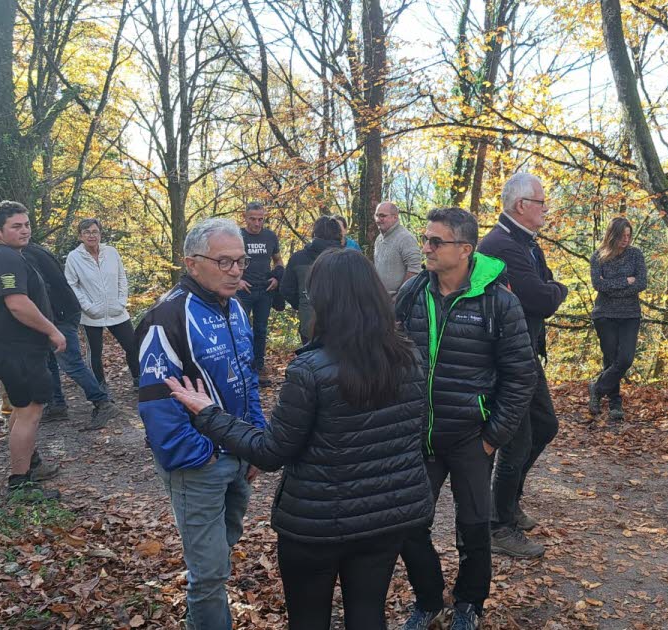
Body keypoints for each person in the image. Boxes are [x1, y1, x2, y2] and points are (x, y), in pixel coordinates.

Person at [167, 248, 434, 630]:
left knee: (309, 619)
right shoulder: (410, 357)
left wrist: (208, 414)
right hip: (390, 515)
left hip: (317, 523)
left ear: (324, 300)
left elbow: (272, 451)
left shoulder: (309, 370)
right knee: (368, 611)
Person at [395, 208, 536, 629]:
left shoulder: (499, 302)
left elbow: (521, 375)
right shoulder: (413, 293)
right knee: (408, 522)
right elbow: (390, 355)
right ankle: (428, 599)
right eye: (426, 239)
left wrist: (492, 437)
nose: (426, 248)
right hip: (419, 436)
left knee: (474, 527)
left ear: (465, 249)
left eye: (436, 241)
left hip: (471, 438)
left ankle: (469, 603)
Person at [135, 218, 266, 630]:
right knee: (209, 573)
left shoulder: (236, 309)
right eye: (224, 261)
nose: (235, 270)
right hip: (199, 464)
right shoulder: (167, 316)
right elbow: (157, 401)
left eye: (241, 262)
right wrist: (201, 456)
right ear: (192, 263)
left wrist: (255, 440)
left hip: (239, 453)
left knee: (223, 547)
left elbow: (248, 379)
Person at [477, 172, 568, 559]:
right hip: (505, 357)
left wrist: (549, 288)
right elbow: (543, 297)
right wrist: (556, 290)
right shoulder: (501, 244)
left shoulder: (524, 243)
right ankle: (499, 525)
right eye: (541, 203)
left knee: (544, 426)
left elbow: (541, 288)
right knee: (518, 438)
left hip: (525, 350)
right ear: (521, 206)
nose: (546, 209)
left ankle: (508, 502)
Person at [0, 201, 66, 499]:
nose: (24, 230)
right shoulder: (4, 258)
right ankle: (21, 484)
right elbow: (17, 303)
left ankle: (30, 465)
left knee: (21, 407)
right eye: (16, 226)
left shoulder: (6, 255)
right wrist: (52, 330)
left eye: (26, 224)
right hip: (15, 348)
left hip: (11, 348)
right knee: (30, 411)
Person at [24, 240, 123, 431]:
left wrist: (46, 319)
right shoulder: (33, 250)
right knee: (49, 359)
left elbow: (42, 288)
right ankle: (56, 405)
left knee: (70, 361)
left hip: (58, 314)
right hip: (58, 311)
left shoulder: (25, 255)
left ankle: (103, 403)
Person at [65, 218, 140, 390]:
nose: (91, 236)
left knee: (133, 346)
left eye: (95, 232)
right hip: (91, 314)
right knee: (95, 354)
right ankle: (100, 388)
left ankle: (138, 379)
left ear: (100, 233)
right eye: (87, 232)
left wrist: (121, 301)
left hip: (117, 311)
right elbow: (72, 285)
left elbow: (122, 277)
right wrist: (88, 306)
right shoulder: (74, 258)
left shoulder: (111, 252)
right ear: (80, 236)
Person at [587, 217, 647, 423]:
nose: (626, 240)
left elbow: (641, 283)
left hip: (630, 314)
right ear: (613, 235)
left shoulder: (635, 254)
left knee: (625, 359)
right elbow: (598, 285)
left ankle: (597, 387)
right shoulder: (598, 256)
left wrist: (612, 285)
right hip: (604, 314)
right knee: (610, 359)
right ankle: (615, 403)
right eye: (622, 236)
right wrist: (625, 282)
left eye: (629, 236)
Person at [234, 202, 284, 375]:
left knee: (261, 329)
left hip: (265, 290)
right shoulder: (237, 236)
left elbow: (278, 260)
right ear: (245, 217)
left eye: (260, 219)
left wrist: (277, 278)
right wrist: (237, 280)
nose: (256, 223)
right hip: (242, 291)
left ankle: (258, 366)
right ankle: (241, 365)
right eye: (253, 219)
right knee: (240, 329)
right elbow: (226, 260)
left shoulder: (270, 236)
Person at [280, 216, 343, 343]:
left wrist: (303, 304)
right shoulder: (348, 258)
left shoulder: (298, 258)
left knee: (309, 361)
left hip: (309, 325)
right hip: (342, 325)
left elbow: (286, 290)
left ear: (314, 233)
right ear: (338, 234)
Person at [373, 201, 422, 296]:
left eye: (382, 216)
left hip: (397, 302)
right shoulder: (379, 239)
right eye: (376, 215)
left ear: (395, 217)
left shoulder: (406, 238)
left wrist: (398, 297)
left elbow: (414, 270)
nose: (378, 220)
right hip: (381, 300)